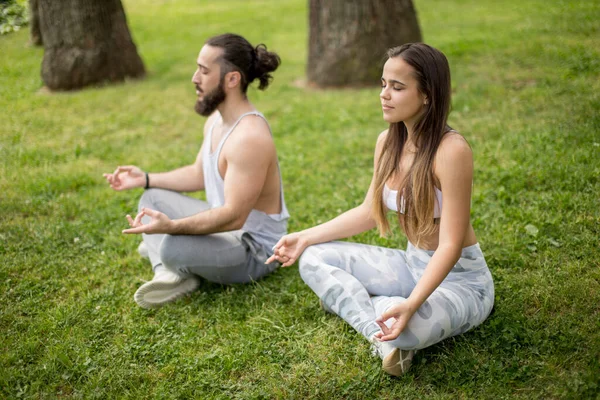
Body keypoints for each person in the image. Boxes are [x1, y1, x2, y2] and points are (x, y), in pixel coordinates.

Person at [266, 43, 494, 376]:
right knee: (313, 257)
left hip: (461, 283)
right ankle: (383, 336)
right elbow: (369, 212)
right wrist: (304, 236)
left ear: (428, 94)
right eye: (384, 84)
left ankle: (355, 304)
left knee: (411, 327)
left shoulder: (451, 150)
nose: (384, 94)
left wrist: (413, 302)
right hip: (410, 264)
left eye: (398, 87)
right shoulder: (387, 143)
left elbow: (450, 244)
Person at [103, 33, 289, 309]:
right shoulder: (217, 119)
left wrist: (174, 228)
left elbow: (234, 217)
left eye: (204, 71)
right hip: (227, 232)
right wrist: (144, 178)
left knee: (171, 244)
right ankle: (172, 272)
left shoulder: (250, 137)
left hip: (255, 251)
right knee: (151, 198)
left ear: (232, 79)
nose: (194, 78)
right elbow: (198, 173)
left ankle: (171, 259)